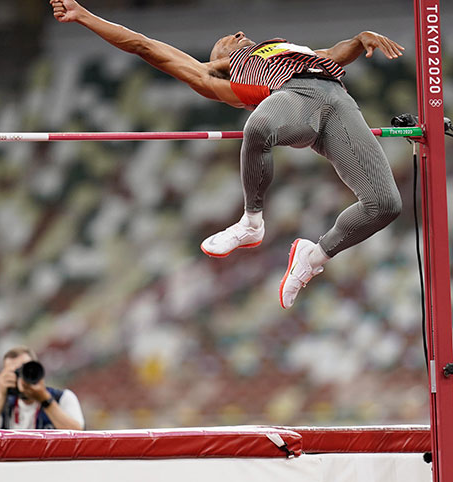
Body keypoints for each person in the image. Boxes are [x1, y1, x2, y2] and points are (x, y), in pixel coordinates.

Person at [51, 0, 405, 308]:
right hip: (292, 100)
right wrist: (83, 15)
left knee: (385, 203)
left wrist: (360, 39)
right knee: (259, 126)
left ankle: (312, 257)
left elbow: (332, 55)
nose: (237, 32)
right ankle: (251, 223)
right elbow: (143, 45)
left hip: (338, 101)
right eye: (225, 40)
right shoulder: (221, 76)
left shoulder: (281, 47)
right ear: (217, 62)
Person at [0, 346, 84, 430]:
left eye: (26, 369)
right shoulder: (5, 406)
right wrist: (1, 394)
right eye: (15, 372)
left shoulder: (62, 398)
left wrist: (45, 400)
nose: (22, 376)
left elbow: (78, 433)